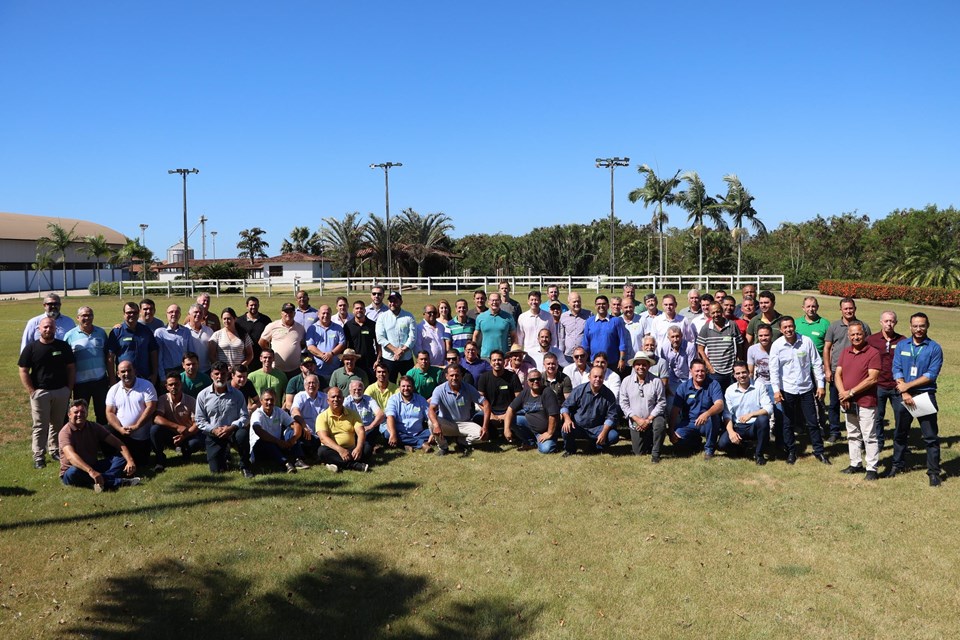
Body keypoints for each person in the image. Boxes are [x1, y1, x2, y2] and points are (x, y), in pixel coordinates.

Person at [889, 312, 944, 486]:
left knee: (930, 437)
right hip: (903, 395)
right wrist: (904, 392)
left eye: (922, 326)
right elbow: (896, 368)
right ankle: (897, 465)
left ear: (927, 326)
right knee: (900, 433)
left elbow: (931, 374)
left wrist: (908, 386)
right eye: (915, 326)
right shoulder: (902, 345)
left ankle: (933, 473)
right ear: (910, 326)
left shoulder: (934, 348)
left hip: (924, 395)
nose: (918, 329)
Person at [769, 316, 829, 465]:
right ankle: (791, 452)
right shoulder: (777, 345)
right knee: (788, 423)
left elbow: (817, 363)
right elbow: (774, 370)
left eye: (790, 326)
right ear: (780, 329)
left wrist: (821, 385)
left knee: (812, 422)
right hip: (787, 389)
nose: (788, 329)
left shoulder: (806, 341)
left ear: (794, 326)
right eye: (785, 327)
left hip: (806, 388)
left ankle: (819, 451)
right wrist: (776, 390)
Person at [19, 316, 76, 468]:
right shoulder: (31, 348)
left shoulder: (63, 346)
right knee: (40, 426)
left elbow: (71, 368)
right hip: (40, 393)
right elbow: (23, 370)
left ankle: (54, 449)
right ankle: (38, 455)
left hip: (61, 391)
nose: (48, 329)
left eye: (51, 327)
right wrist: (32, 391)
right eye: (45, 327)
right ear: (39, 329)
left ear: (55, 329)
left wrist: (68, 388)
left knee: (57, 424)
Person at [59, 399, 140, 491]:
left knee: (121, 458)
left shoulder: (94, 427)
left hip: (93, 465)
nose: (79, 414)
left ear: (87, 413)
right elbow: (71, 457)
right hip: (74, 470)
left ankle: (102, 479)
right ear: (69, 415)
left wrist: (130, 461)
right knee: (73, 472)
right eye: (76, 412)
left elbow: (118, 443)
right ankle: (118, 482)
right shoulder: (65, 432)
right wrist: (91, 471)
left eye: (82, 412)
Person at [834, 321, 881, 479]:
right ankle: (855, 463)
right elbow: (837, 374)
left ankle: (872, 468)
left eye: (859, 334)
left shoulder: (873, 353)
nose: (856, 337)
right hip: (847, 400)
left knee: (869, 435)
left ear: (864, 334)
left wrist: (851, 392)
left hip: (866, 401)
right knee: (852, 433)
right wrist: (843, 393)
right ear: (848, 336)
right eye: (853, 334)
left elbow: (872, 379)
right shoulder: (845, 352)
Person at [823, 298, 872, 444]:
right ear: (841, 310)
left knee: (858, 402)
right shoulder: (833, 326)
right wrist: (827, 369)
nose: (848, 311)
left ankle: (860, 431)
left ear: (855, 308)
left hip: (857, 372)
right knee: (834, 403)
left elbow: (869, 347)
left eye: (851, 308)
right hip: (837, 371)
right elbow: (827, 348)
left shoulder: (863, 326)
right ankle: (834, 431)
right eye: (845, 308)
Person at [196, 361, 253, 477]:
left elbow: (245, 416)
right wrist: (213, 430)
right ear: (211, 375)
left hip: (233, 431)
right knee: (216, 471)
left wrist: (231, 427)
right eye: (216, 374)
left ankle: (245, 466)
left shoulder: (237, 394)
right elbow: (199, 420)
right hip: (214, 433)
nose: (220, 377)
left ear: (228, 375)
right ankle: (224, 454)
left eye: (223, 374)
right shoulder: (202, 395)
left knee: (242, 435)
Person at [866, 311, 907, 452]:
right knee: (878, 416)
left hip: (897, 385)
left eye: (892, 321)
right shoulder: (871, 340)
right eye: (886, 321)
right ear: (881, 322)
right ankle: (879, 443)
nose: (889, 324)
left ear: (896, 323)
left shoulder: (903, 340)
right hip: (878, 385)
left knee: (901, 416)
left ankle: (900, 443)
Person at [105, 360, 157, 470]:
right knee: (105, 431)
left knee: (141, 463)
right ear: (118, 374)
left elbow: (151, 407)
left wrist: (136, 426)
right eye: (123, 372)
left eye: (129, 370)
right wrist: (119, 429)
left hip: (141, 438)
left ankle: (121, 462)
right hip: (121, 436)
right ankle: (111, 459)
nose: (126, 374)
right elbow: (109, 412)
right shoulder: (113, 389)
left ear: (135, 371)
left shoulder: (146, 385)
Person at [428, 365, 490, 453]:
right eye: (451, 375)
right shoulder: (439, 390)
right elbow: (432, 409)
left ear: (461, 376)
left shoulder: (469, 388)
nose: (454, 378)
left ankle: (461, 441)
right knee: (431, 422)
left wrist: (485, 427)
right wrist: (436, 425)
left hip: (465, 423)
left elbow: (486, 404)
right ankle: (443, 447)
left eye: (457, 375)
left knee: (482, 436)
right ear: (446, 376)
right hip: (447, 424)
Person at [668, 359, 723, 459]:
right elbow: (675, 410)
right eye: (697, 371)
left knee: (712, 418)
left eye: (702, 371)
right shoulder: (683, 387)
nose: (700, 374)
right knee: (678, 443)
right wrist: (671, 430)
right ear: (691, 371)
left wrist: (706, 414)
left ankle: (709, 449)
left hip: (707, 422)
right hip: (689, 423)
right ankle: (695, 442)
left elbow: (720, 405)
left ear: (706, 371)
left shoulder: (714, 384)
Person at [720, 362, 772, 465]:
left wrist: (751, 414)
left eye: (744, 372)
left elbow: (769, 408)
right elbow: (727, 415)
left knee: (763, 419)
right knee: (722, 444)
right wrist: (731, 432)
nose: (741, 375)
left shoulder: (759, 386)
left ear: (748, 372)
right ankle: (742, 446)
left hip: (754, 426)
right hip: (738, 426)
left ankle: (759, 454)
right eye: (738, 373)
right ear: (734, 375)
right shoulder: (730, 390)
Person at [560, 366, 619, 456]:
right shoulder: (579, 390)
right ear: (589, 377)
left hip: (597, 428)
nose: (598, 379)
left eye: (600, 377)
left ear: (604, 378)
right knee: (566, 429)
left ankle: (597, 446)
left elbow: (611, 416)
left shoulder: (609, 395)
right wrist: (567, 420)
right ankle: (570, 450)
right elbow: (565, 406)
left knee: (613, 436)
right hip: (578, 426)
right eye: (595, 376)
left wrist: (603, 433)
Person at [65, 306, 110, 425]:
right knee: (80, 413)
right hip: (80, 383)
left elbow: (108, 356)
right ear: (78, 318)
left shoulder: (101, 333)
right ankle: (80, 435)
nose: (87, 318)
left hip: (100, 380)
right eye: (84, 315)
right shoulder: (70, 335)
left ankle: (102, 435)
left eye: (90, 315)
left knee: (102, 413)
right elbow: (66, 362)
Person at [150, 371, 203, 470]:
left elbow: (197, 423)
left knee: (195, 444)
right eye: (171, 385)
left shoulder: (191, 400)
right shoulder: (163, 399)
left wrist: (184, 436)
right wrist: (177, 427)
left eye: (176, 384)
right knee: (154, 429)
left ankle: (186, 451)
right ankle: (160, 458)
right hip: (170, 434)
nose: (174, 387)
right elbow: (156, 418)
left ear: (181, 384)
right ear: (166, 387)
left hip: (187, 434)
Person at [618, 353, 667, 460]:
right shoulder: (626, 381)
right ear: (633, 366)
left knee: (660, 423)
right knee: (639, 452)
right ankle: (649, 442)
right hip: (635, 421)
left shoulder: (656, 381)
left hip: (653, 418)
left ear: (648, 366)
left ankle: (656, 453)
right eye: (638, 364)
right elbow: (623, 403)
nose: (641, 367)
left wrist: (648, 420)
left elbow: (661, 403)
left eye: (644, 364)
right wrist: (637, 419)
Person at [250, 389, 308, 474]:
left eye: (272, 400)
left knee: (291, 433)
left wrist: (293, 439)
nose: (269, 402)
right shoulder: (257, 414)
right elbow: (258, 430)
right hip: (259, 448)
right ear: (261, 401)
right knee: (267, 442)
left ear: (275, 400)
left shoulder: (278, 411)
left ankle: (298, 460)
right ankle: (285, 464)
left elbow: (295, 424)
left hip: (276, 444)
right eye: (267, 400)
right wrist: (278, 441)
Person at [502, 370, 560, 453]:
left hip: (546, 430)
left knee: (546, 449)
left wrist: (549, 433)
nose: (535, 381)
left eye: (538, 379)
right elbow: (510, 409)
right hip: (530, 426)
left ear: (542, 380)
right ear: (528, 382)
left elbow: (553, 415)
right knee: (512, 419)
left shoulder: (548, 393)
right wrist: (506, 429)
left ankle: (545, 440)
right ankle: (530, 442)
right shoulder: (525, 393)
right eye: (532, 380)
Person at [316, 387, 371, 472]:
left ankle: (336, 463)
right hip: (334, 450)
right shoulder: (322, 417)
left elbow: (361, 431)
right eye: (333, 397)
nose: (336, 399)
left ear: (343, 399)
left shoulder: (353, 413)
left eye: (338, 397)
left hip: (352, 449)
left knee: (367, 447)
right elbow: (323, 438)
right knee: (322, 451)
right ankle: (354, 465)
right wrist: (340, 450)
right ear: (328, 400)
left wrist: (358, 448)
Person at [106, 301, 159, 386]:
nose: (132, 315)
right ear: (124, 314)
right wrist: (112, 379)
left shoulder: (146, 331)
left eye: (135, 312)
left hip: (144, 378)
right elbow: (110, 357)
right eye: (129, 312)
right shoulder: (116, 332)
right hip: (124, 379)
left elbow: (153, 352)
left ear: (139, 313)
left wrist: (154, 374)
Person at [696, 301, 744, 392]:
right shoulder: (706, 328)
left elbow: (739, 345)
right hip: (714, 372)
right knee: (716, 396)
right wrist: (708, 366)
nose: (716, 315)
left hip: (731, 371)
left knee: (733, 395)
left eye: (718, 311)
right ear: (709, 314)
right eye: (713, 313)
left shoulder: (732, 325)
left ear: (722, 311)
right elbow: (700, 349)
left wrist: (737, 363)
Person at [476, 350, 522, 434]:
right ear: (490, 363)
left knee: (521, 419)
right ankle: (493, 434)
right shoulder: (484, 377)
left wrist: (507, 415)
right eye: (494, 360)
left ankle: (513, 433)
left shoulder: (513, 377)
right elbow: (479, 399)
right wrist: (490, 415)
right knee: (477, 418)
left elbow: (519, 399)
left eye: (499, 360)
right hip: (490, 411)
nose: (497, 362)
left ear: (504, 362)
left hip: (509, 411)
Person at [375, 291, 417, 381]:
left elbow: (412, 337)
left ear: (401, 302)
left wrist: (402, 351)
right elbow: (380, 338)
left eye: (395, 301)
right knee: (389, 384)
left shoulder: (409, 317)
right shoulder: (382, 317)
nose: (392, 303)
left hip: (406, 358)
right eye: (390, 301)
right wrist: (395, 350)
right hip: (389, 358)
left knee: (409, 383)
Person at [384, 376, 433, 452]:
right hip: (400, 433)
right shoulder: (393, 399)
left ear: (413, 387)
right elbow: (390, 417)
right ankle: (421, 443)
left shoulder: (420, 399)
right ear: (399, 388)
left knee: (435, 431)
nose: (406, 388)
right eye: (403, 386)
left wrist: (433, 433)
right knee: (388, 434)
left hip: (419, 433)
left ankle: (405, 444)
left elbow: (430, 416)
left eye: (408, 386)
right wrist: (393, 434)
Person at [259, 302, 307, 379]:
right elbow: (262, 342)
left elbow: (303, 344)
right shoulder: (272, 326)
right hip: (276, 369)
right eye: (286, 312)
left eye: (291, 312)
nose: (288, 314)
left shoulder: (300, 328)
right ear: (281, 313)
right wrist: (270, 352)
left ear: (294, 314)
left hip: (295, 369)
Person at [582, 295, 628, 371]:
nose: (601, 306)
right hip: (594, 363)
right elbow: (585, 343)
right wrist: (584, 360)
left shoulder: (616, 321)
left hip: (612, 363)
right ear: (595, 306)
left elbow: (622, 342)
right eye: (598, 304)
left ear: (608, 306)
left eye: (603, 304)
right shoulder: (589, 322)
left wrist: (622, 359)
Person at [659, 325, 697, 412]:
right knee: (671, 405)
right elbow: (664, 368)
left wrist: (690, 385)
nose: (675, 339)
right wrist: (666, 386)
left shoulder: (689, 347)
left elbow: (692, 368)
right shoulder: (664, 348)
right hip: (672, 380)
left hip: (686, 378)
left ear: (681, 336)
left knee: (689, 402)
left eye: (677, 336)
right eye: (672, 337)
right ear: (668, 338)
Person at [289, 373, 326, 460]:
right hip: (306, 432)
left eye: (314, 383)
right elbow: (295, 411)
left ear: (318, 385)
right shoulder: (300, 396)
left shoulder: (325, 397)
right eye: (309, 383)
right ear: (304, 386)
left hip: (322, 432)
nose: (311, 385)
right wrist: (304, 426)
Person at [305, 305, 346, 379]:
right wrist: (323, 356)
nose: (325, 315)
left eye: (328, 313)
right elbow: (310, 346)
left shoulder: (338, 328)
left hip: (335, 370)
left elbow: (342, 344)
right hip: (317, 371)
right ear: (318, 314)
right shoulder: (312, 328)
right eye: (323, 313)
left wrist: (331, 354)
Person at [473, 292, 518, 359]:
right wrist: (474, 351)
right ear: (488, 302)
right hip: (485, 356)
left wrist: (512, 352)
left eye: (496, 300)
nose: (494, 302)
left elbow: (513, 336)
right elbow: (475, 335)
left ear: (500, 302)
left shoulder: (508, 317)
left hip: (503, 356)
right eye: (492, 300)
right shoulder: (480, 317)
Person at [154, 304, 192, 381]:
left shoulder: (186, 331)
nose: (174, 314)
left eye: (177, 312)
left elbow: (190, 353)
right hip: (167, 371)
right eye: (171, 312)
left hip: (183, 370)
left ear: (180, 315)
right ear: (166, 314)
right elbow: (159, 357)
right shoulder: (160, 332)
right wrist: (162, 377)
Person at [344, 300, 380, 377]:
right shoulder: (348, 326)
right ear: (353, 311)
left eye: (361, 308)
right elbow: (345, 345)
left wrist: (378, 359)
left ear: (365, 310)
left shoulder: (372, 325)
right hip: (354, 362)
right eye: (357, 308)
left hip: (370, 362)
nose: (359, 310)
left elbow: (378, 343)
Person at [236, 296, 272, 370]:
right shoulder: (239, 321)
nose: (253, 307)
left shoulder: (266, 320)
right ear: (247, 306)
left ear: (258, 306)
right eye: (251, 305)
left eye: (255, 305)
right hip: (245, 357)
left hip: (261, 357)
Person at [345, 379, 386, 444]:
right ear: (350, 391)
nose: (357, 391)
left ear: (363, 390)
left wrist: (370, 426)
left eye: (359, 389)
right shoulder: (346, 402)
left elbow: (381, 414)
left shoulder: (369, 400)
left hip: (367, 431)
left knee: (366, 448)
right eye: (354, 389)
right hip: (352, 431)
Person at [559, 292, 591, 358]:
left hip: (584, 355)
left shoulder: (589, 315)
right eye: (574, 302)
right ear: (569, 303)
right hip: (569, 355)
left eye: (578, 301)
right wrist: (561, 354)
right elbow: (562, 338)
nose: (577, 304)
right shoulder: (563, 317)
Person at [185, 304, 214, 373]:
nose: (198, 314)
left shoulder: (209, 330)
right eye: (196, 312)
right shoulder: (184, 331)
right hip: (190, 370)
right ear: (189, 314)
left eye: (200, 313)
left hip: (207, 370)